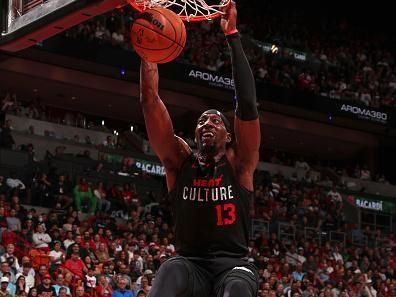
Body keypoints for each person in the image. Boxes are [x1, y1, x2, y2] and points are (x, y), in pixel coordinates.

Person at [139, 2, 259, 297]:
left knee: (238, 287)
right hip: (190, 266)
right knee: (170, 268)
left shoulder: (239, 163)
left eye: (216, 120)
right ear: (194, 133)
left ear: (229, 135)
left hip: (232, 266)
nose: (207, 122)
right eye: (202, 120)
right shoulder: (179, 162)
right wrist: (149, 54)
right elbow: (150, 102)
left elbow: (247, 104)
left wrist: (232, 35)